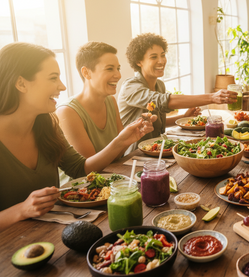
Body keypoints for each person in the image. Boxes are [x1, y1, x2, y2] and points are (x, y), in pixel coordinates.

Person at [0, 42, 155, 231]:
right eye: (53, 78)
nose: (62, 86)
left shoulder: (47, 124)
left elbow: (79, 169)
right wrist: (21, 210)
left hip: (52, 233)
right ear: (21, 83)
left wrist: (122, 140)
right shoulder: (64, 113)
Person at [118, 33, 237, 153]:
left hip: (157, 150)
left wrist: (183, 117)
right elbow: (162, 101)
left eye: (163, 55)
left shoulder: (159, 85)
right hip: (133, 155)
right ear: (139, 62)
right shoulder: (130, 86)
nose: (161, 61)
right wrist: (212, 97)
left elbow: (159, 125)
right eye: (153, 57)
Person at [57, 42, 159, 160]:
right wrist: (122, 140)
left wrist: (133, 134)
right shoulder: (68, 112)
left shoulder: (110, 100)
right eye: (110, 69)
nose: (118, 75)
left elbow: (119, 153)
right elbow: (89, 169)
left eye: (118, 68)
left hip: (113, 174)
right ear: (86, 72)